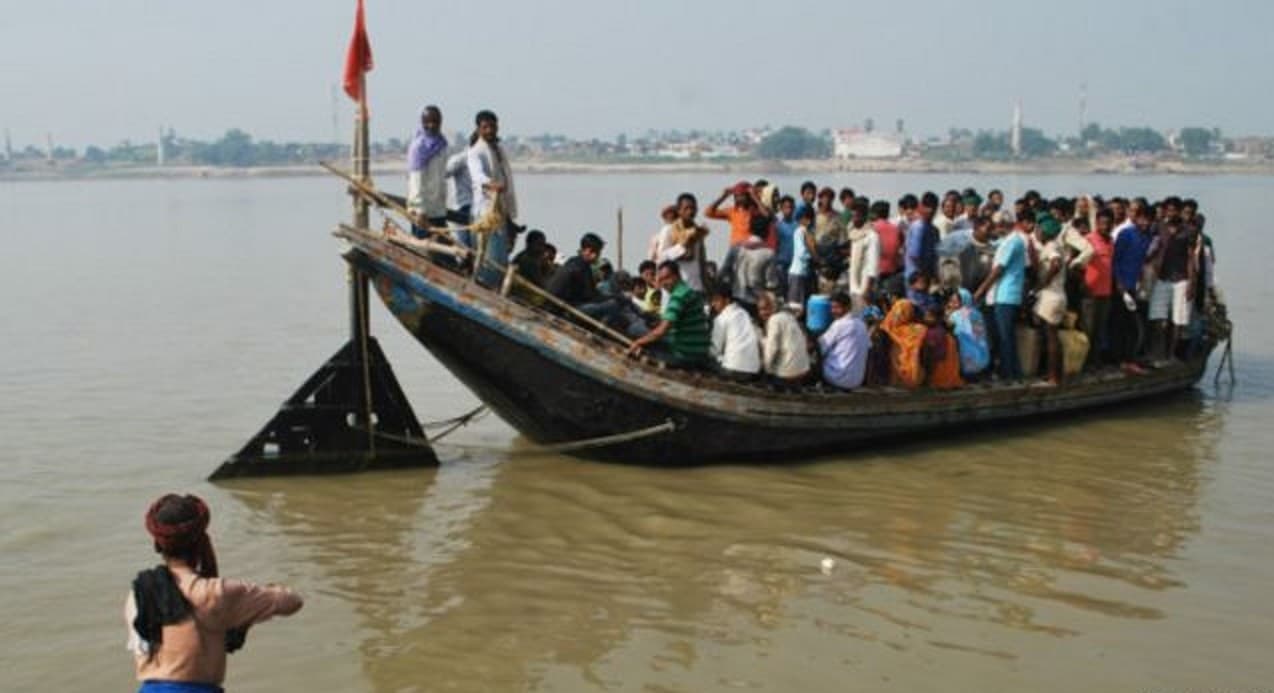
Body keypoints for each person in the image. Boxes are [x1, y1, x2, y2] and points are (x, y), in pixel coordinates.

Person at [126, 494, 302, 693]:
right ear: (200, 540)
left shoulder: (137, 594)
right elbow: (293, 602)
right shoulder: (215, 593)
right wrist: (267, 595)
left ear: (158, 543)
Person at [547, 233, 648, 338]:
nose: (597, 256)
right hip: (568, 310)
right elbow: (590, 296)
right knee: (614, 304)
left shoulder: (576, 262)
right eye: (596, 252)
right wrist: (615, 298)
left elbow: (591, 294)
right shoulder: (580, 267)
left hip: (567, 305)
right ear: (587, 250)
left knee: (615, 301)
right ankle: (606, 333)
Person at [975, 212, 1033, 381]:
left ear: (1003, 225)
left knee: (1004, 336)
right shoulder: (1010, 240)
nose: (994, 229)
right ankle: (1014, 372)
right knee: (1006, 335)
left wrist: (981, 290)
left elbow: (998, 269)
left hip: (1005, 295)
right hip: (1006, 295)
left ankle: (1008, 374)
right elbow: (990, 244)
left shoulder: (1012, 241)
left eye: (996, 226)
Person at [467, 110, 519, 286]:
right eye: (485, 127)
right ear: (479, 129)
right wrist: (491, 184)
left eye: (492, 126)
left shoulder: (498, 149)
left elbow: (506, 178)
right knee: (489, 258)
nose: (489, 130)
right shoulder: (476, 151)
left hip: (500, 211)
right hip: (485, 213)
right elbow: (477, 175)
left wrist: (509, 216)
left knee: (500, 258)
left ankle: (494, 289)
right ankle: (485, 290)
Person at [627, 261, 710, 368]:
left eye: (667, 278)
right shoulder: (688, 291)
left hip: (685, 354)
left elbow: (661, 331)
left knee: (635, 330)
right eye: (661, 280)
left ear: (677, 276)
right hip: (698, 351)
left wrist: (638, 342)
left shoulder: (679, 295)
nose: (664, 283)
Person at [1033, 214, 1067, 386]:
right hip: (1059, 295)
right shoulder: (1058, 245)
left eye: (1038, 230)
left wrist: (1042, 283)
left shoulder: (1051, 246)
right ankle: (1055, 375)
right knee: (1053, 336)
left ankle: (1054, 378)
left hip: (1051, 296)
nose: (1036, 233)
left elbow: (1055, 264)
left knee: (1051, 337)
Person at [406, 105, 449, 239]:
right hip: (423, 213)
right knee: (424, 249)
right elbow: (416, 180)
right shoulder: (419, 147)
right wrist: (420, 210)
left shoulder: (442, 144)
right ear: (422, 122)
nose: (431, 125)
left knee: (441, 252)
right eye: (428, 122)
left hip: (438, 209)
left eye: (435, 122)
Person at [1081, 208, 1116, 366]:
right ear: (1096, 223)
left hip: (1106, 292)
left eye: (1108, 224)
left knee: (1099, 330)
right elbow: (1078, 265)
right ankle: (1084, 364)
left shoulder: (1111, 241)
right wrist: (1084, 285)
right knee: (1087, 330)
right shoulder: (1088, 240)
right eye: (1102, 223)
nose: (1105, 227)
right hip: (1090, 292)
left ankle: (1094, 361)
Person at [708, 284, 762, 379]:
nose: (713, 304)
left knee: (707, 359)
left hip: (732, 369)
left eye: (716, 300)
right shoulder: (744, 313)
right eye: (712, 301)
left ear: (727, 300)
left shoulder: (722, 318)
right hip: (753, 370)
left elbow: (715, 350)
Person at [756, 291, 811, 384]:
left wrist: (764, 370)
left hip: (787, 375)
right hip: (804, 370)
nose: (762, 313)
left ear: (774, 307)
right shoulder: (789, 316)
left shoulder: (774, 320)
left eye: (766, 308)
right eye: (760, 309)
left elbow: (771, 349)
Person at [817, 292, 869, 390]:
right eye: (832, 308)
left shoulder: (839, 325)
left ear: (848, 307)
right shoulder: (862, 324)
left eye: (837, 308)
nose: (833, 311)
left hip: (837, 377)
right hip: (857, 380)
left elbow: (820, 348)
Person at [879, 299, 927, 389]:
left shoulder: (918, 329)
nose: (898, 316)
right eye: (896, 312)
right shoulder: (886, 328)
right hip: (893, 369)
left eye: (902, 312)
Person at [947, 288, 990, 379]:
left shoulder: (956, 315)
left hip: (965, 361)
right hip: (982, 360)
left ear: (964, 302)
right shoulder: (977, 313)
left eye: (955, 302)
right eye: (951, 301)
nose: (951, 305)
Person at [845, 197, 879, 313]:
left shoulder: (871, 236)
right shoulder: (852, 233)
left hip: (864, 286)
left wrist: (866, 291)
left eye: (857, 214)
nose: (854, 217)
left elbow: (873, 267)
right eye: (853, 213)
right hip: (853, 284)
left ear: (864, 215)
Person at [921, 303, 963, 390]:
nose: (925, 318)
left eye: (928, 316)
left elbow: (937, 355)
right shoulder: (945, 332)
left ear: (937, 318)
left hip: (940, 376)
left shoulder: (935, 333)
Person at [787, 206, 817, 313]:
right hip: (797, 273)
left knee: (802, 306)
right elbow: (801, 253)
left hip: (803, 273)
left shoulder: (808, 232)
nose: (809, 220)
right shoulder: (800, 231)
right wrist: (814, 257)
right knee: (796, 307)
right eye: (806, 218)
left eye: (810, 217)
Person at [870, 200, 904, 297]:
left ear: (875, 213)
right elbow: (901, 245)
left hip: (877, 270)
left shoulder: (873, 228)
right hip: (893, 270)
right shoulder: (896, 228)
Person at [905, 192, 940, 282]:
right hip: (915, 278)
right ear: (920, 207)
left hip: (928, 278)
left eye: (933, 207)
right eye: (927, 206)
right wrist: (924, 275)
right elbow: (914, 256)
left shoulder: (934, 230)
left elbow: (935, 256)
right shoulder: (918, 227)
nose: (930, 210)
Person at [957, 214, 996, 295]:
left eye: (992, 229)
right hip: (961, 293)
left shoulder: (992, 250)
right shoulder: (963, 246)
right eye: (988, 229)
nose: (990, 232)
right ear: (976, 227)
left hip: (981, 294)